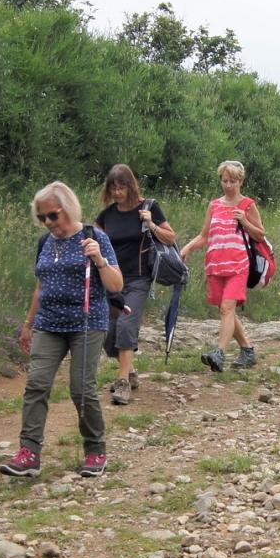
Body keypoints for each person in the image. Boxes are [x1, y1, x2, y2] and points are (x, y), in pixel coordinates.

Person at [1, 182, 121, 479]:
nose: (47, 223)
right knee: (37, 384)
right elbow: (40, 287)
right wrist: (28, 325)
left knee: (81, 389)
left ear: (67, 209)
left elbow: (117, 285)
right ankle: (29, 453)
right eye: (42, 218)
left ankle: (95, 449)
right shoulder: (46, 243)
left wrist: (100, 260)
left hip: (86, 323)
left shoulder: (95, 237)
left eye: (52, 216)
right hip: (49, 323)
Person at [94, 164, 176, 405]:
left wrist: (151, 224)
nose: (118, 193)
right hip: (111, 280)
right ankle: (128, 369)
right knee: (109, 333)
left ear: (131, 186)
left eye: (122, 187)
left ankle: (122, 383)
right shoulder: (107, 215)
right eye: (114, 188)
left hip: (139, 278)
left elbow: (171, 237)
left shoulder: (148, 207)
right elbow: (94, 240)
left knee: (127, 326)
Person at [179, 160, 267, 373]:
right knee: (225, 310)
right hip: (215, 265)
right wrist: (188, 248)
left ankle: (219, 353)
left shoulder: (247, 205)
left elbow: (260, 234)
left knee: (227, 308)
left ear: (241, 181)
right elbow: (204, 236)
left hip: (239, 265)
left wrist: (245, 221)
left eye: (232, 181)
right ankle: (247, 350)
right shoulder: (214, 205)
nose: (228, 185)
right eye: (224, 180)